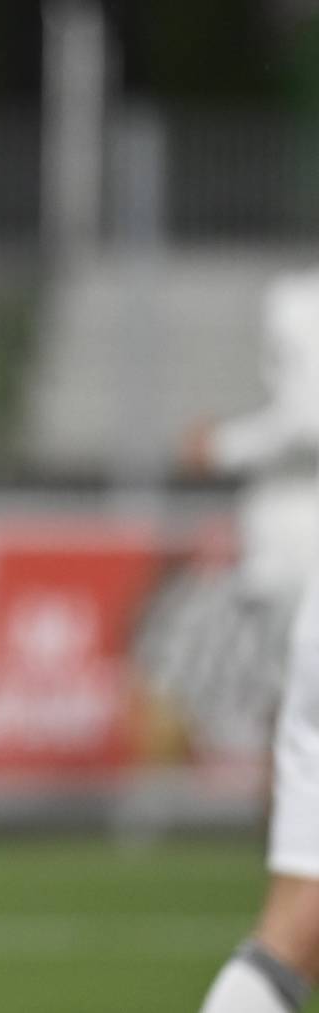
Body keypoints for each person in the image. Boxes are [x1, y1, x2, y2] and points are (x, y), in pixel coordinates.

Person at [196, 269, 319, 1013]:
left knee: (294, 925)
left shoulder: (293, 295)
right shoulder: (300, 301)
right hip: (293, 548)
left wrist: (225, 445)